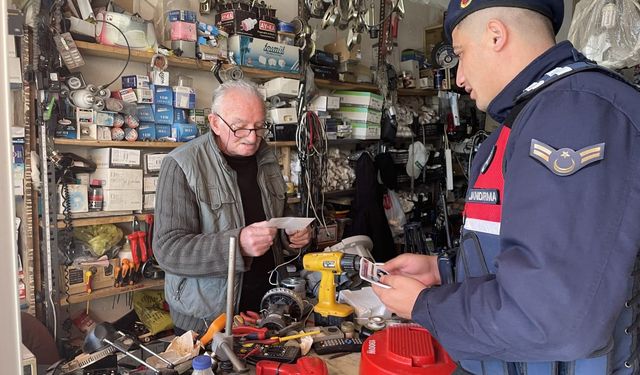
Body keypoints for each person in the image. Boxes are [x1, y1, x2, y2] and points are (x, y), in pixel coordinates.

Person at [373, 1, 640, 374]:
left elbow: (552, 316)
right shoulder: (530, 118)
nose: (460, 77)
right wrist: (444, 270)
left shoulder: (574, 114)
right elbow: (529, 254)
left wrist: (427, 305)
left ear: (496, 35)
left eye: (461, 55)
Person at [154, 80, 312, 335]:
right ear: (215, 122)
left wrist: (290, 236)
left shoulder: (267, 159)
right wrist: (236, 245)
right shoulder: (181, 165)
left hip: (268, 307)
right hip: (208, 318)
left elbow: (276, 217)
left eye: (259, 127)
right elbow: (168, 250)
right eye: (239, 128)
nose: (252, 138)